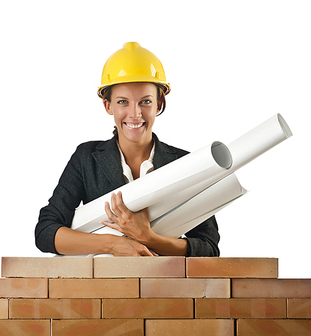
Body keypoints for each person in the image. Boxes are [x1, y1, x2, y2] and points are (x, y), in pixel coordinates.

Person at [35, 42, 220, 257]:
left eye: (145, 102)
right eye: (123, 102)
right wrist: (112, 244)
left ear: (159, 104)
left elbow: (209, 249)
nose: (135, 114)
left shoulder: (185, 163)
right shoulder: (87, 159)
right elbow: (45, 232)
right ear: (108, 106)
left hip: (168, 287)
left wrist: (149, 238)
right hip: (104, 286)